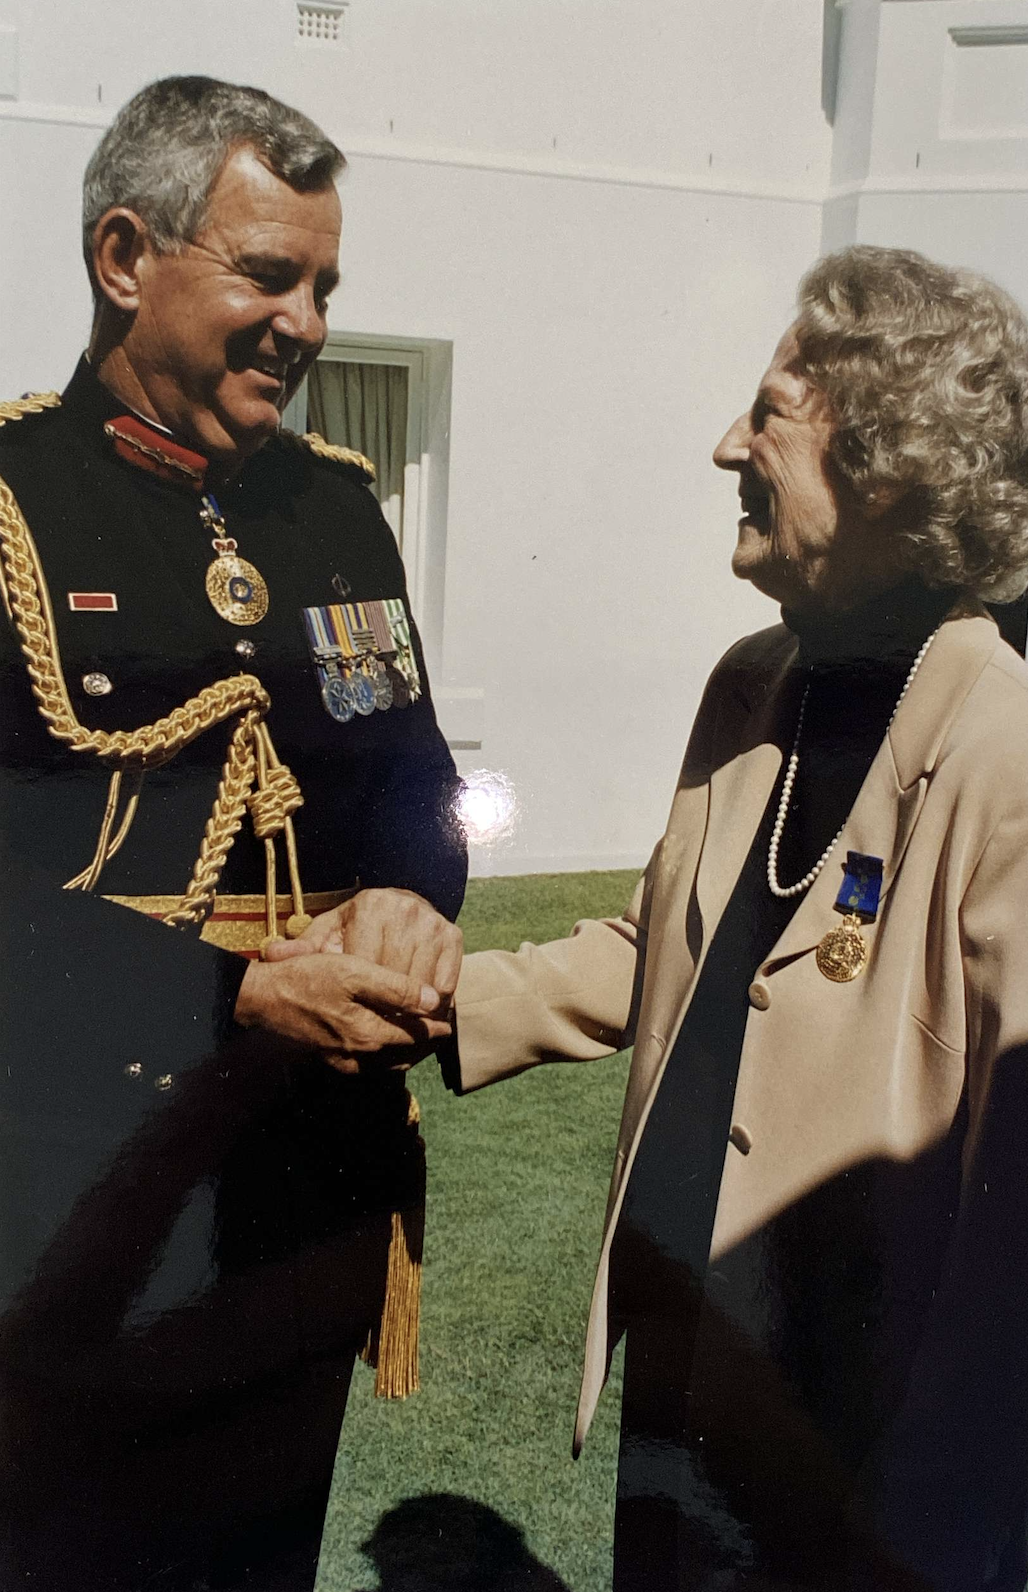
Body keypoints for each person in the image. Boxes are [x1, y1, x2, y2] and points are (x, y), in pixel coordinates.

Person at [294, 246, 1028, 1591]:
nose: (723, 447)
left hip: (858, 1430)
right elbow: (664, 950)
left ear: (887, 465)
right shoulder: (757, 683)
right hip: (685, 1360)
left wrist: (941, 1496)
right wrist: (429, 997)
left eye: (769, 416)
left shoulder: (1006, 751)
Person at [0, 76, 465, 1592]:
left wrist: (410, 892)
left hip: (307, 1183)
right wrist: (234, 997)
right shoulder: (11, 502)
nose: (312, 324)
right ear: (125, 257)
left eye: (326, 285)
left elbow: (415, 772)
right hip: (76, 1191)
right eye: (270, 275)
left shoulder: (337, 511)